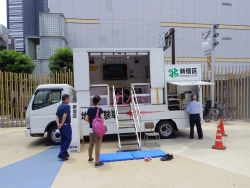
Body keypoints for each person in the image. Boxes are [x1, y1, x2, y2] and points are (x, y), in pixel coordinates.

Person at [85, 95, 105, 167]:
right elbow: (102, 120)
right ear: (98, 101)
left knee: (91, 144)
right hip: (98, 130)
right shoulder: (100, 110)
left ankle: (90, 158)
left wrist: (92, 123)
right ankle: (97, 162)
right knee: (98, 145)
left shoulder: (89, 109)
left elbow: (86, 119)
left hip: (91, 129)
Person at [56, 94, 72, 161]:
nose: (69, 100)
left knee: (63, 139)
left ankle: (65, 153)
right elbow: (64, 116)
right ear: (66, 99)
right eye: (69, 98)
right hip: (65, 125)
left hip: (61, 126)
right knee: (68, 138)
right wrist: (62, 124)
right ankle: (62, 154)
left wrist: (58, 124)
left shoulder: (59, 106)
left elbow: (57, 116)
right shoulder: (66, 106)